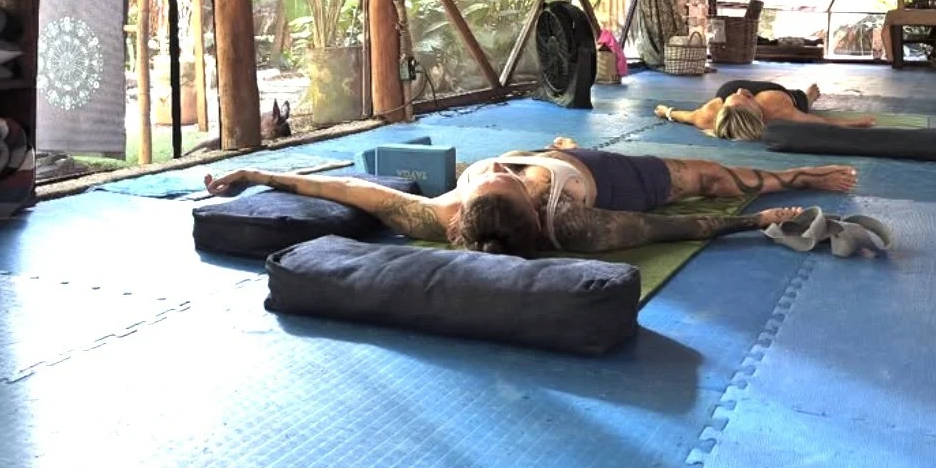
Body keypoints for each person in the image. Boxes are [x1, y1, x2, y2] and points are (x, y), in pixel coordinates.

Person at [203, 140, 857, 259]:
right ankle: (799, 173)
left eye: (490, 175)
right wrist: (761, 219)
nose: (504, 170)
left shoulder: (440, 216)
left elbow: (345, 188)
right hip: (609, 175)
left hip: (558, 151)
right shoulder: (576, 226)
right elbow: (676, 230)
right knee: (712, 179)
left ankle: (793, 172)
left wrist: (256, 177)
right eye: (508, 178)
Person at [655, 79, 877, 140]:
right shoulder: (777, 110)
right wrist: (855, 124)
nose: (742, 90)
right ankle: (808, 97)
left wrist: (666, 111)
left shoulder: (708, 115)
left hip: (772, 98)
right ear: (756, 112)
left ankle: (808, 96)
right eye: (742, 97)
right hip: (787, 97)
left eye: (737, 96)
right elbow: (820, 123)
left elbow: (683, 115)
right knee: (804, 105)